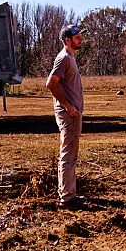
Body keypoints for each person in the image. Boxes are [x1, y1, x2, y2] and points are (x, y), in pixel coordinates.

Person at [46, 24, 85, 208]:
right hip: (68, 114)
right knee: (68, 155)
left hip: (74, 113)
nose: (80, 39)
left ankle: (70, 193)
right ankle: (67, 198)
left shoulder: (71, 57)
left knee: (71, 154)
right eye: (77, 37)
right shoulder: (63, 58)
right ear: (67, 40)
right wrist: (68, 106)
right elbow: (50, 84)